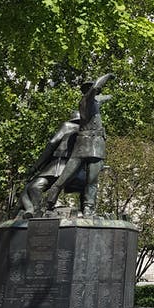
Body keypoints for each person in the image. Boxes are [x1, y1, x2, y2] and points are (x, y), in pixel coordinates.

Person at [45, 72, 114, 217]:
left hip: (96, 145)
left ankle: (89, 209)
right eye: (92, 89)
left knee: (92, 180)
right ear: (87, 91)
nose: (96, 92)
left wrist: (111, 96)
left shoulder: (94, 102)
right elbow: (96, 87)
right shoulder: (86, 101)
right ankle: (48, 203)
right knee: (66, 176)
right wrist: (107, 76)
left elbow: (104, 98)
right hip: (85, 144)